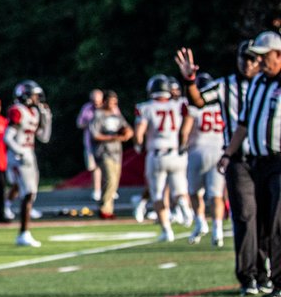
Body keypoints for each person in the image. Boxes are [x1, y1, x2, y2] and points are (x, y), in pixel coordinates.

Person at [176, 41, 266, 294]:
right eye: (244, 59)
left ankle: (266, 271)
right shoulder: (227, 86)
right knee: (245, 217)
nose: (248, 64)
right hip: (238, 159)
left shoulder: (272, 86)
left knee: (270, 219)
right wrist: (190, 79)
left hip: (269, 159)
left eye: (253, 59)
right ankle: (248, 276)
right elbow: (198, 101)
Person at [218, 31, 281, 297]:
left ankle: (279, 283)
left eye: (265, 56)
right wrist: (228, 154)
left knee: (278, 223)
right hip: (258, 162)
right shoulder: (257, 84)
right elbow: (243, 125)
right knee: (262, 224)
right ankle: (265, 277)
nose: (259, 60)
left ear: (278, 55)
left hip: (280, 161)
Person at [134, 75, 189, 242]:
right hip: (177, 152)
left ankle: (167, 230)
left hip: (157, 153)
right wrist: (183, 142)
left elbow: (139, 133)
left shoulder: (146, 108)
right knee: (180, 190)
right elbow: (187, 124)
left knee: (157, 194)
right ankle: (184, 207)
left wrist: (138, 146)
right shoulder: (180, 104)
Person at [181, 73, 227, 246]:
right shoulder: (222, 106)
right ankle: (218, 230)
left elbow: (185, 130)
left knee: (194, 192)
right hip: (219, 150)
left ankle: (200, 222)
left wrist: (181, 145)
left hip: (198, 150)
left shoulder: (195, 106)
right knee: (216, 195)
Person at [5, 80, 52, 247]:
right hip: (18, 155)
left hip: (28, 154)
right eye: (33, 95)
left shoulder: (34, 112)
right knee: (27, 193)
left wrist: (47, 118)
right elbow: (8, 137)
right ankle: (23, 233)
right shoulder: (17, 110)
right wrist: (20, 151)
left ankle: (24, 232)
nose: (37, 98)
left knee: (31, 193)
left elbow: (44, 137)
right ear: (25, 96)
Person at [89, 91, 132, 218]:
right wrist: (113, 138)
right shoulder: (98, 115)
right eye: (111, 101)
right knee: (110, 179)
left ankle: (109, 208)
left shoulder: (116, 115)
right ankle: (104, 208)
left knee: (115, 181)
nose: (113, 104)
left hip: (116, 152)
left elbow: (128, 129)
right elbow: (95, 135)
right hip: (104, 152)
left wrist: (127, 133)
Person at [77, 88, 104, 202]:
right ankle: (97, 190)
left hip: (106, 143)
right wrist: (90, 122)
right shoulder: (87, 108)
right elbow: (79, 123)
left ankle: (108, 189)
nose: (96, 104)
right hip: (90, 142)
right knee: (94, 167)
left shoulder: (108, 108)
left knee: (107, 167)